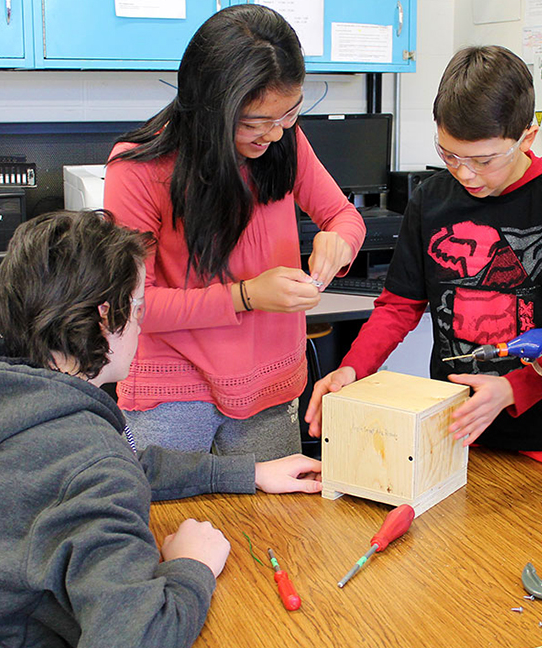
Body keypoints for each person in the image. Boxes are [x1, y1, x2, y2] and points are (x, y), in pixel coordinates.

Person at [0, 211, 323, 648]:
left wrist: (247, 472)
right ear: (106, 316)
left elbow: (121, 466)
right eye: (140, 308)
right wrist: (192, 566)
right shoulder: (86, 459)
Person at [305, 46, 542, 479]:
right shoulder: (431, 199)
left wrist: (510, 389)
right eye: (450, 155)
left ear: (528, 136)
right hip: (449, 426)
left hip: (541, 442)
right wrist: (354, 369)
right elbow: (398, 307)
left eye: (483, 161)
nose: (465, 175)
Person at [103, 4, 365, 461]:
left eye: (289, 114)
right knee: (171, 522)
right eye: (254, 122)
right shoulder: (139, 168)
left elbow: (345, 217)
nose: (275, 134)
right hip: (174, 391)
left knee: (274, 529)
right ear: (209, 108)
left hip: (270, 385)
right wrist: (245, 296)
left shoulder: (286, 142)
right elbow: (135, 306)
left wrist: (339, 241)